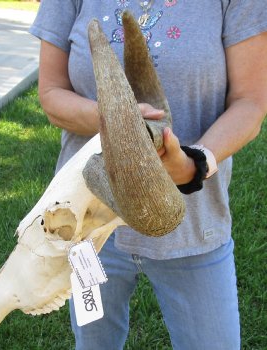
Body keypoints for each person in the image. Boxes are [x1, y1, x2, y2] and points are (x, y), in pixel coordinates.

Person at [30, 1, 267, 349]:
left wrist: (193, 163)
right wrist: (116, 118)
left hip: (193, 224)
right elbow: (51, 94)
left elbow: (250, 101)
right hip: (87, 227)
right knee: (94, 343)